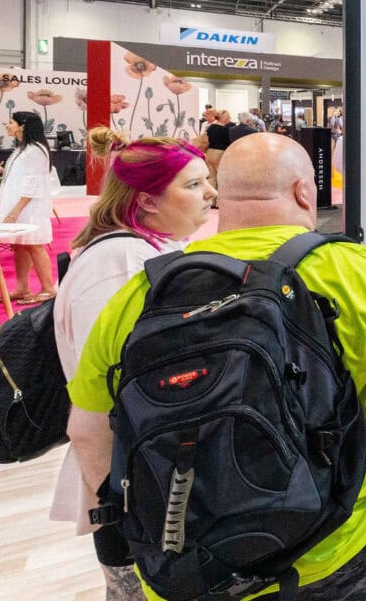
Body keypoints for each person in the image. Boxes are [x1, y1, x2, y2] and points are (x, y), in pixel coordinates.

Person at [66, 133, 366, 599]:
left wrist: (137, 511)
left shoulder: (146, 290)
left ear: (221, 196)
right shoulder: (355, 269)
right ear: (303, 193)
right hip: (336, 543)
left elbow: (86, 429)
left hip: (191, 561)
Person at [51, 128, 215, 599]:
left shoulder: (145, 253)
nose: (211, 193)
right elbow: (97, 410)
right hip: (137, 493)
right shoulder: (122, 266)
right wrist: (121, 503)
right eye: (193, 185)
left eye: (207, 180)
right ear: (145, 202)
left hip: (154, 483)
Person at [0, 111, 57, 303]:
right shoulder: (23, 148)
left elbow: (33, 183)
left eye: (11, 122)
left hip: (27, 207)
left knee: (34, 245)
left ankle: (48, 289)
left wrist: (15, 210)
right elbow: (20, 176)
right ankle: (22, 288)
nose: (7, 126)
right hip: (18, 204)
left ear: (22, 126)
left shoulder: (35, 150)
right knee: (18, 245)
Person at [203, 109, 234, 188]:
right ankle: (220, 199)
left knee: (211, 178)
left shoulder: (210, 127)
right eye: (228, 116)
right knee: (221, 178)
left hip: (209, 153)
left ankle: (210, 198)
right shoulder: (226, 130)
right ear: (225, 118)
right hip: (220, 154)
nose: (230, 118)